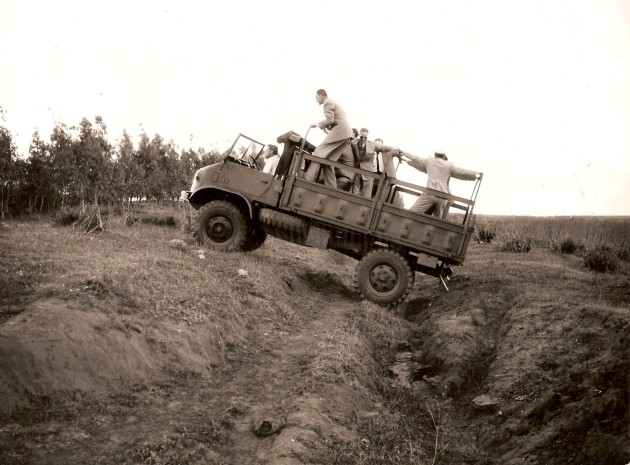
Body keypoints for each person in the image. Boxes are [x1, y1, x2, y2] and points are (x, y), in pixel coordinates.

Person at [402, 151, 482, 218]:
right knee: (438, 221)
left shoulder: (429, 162)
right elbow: (461, 172)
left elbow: (416, 159)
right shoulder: (448, 166)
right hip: (443, 197)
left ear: (435, 155)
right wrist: (475, 174)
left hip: (430, 195)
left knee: (411, 213)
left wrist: (404, 155)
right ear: (444, 157)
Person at [303, 89, 353, 188]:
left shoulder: (328, 102)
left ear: (321, 95)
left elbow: (330, 119)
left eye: (316, 97)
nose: (315, 99)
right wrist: (326, 128)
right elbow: (334, 120)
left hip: (340, 131)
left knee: (319, 151)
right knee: (329, 161)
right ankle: (331, 187)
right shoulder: (332, 102)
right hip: (346, 134)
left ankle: (307, 179)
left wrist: (317, 124)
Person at [350, 128, 378, 198]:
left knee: (366, 196)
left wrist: (395, 149)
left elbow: (383, 148)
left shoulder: (372, 145)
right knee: (354, 192)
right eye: (361, 137)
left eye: (365, 137)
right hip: (357, 170)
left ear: (367, 137)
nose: (363, 139)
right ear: (359, 135)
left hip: (368, 172)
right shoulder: (353, 143)